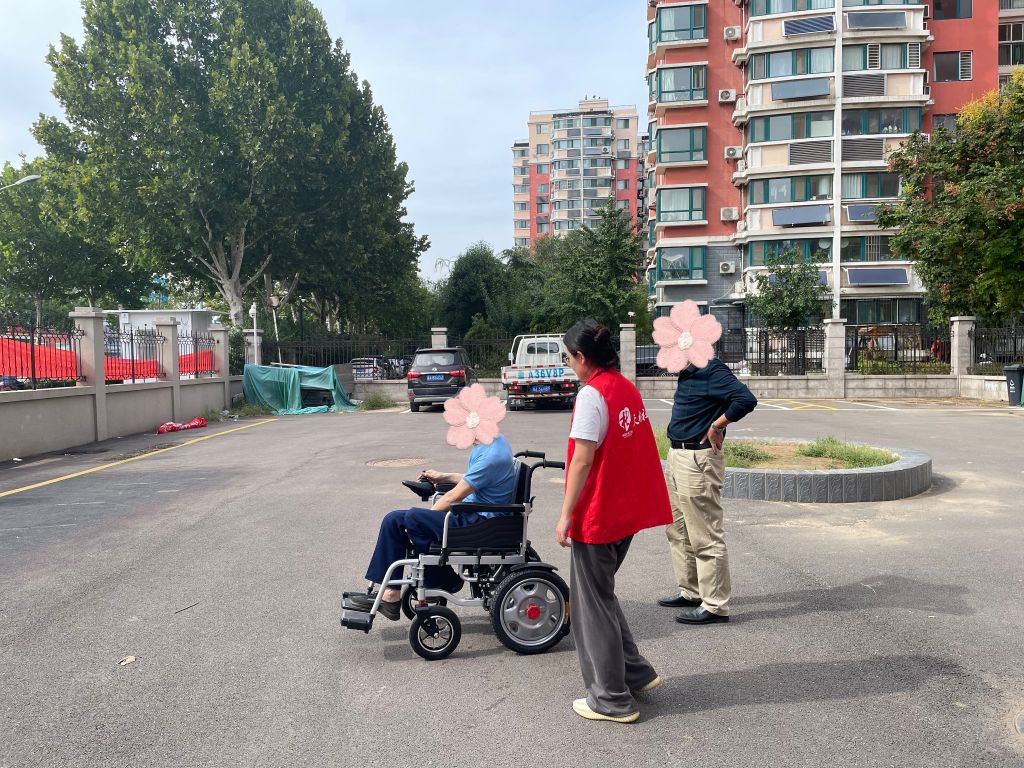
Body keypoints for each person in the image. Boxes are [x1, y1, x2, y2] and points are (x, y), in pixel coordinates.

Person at [556, 319, 673, 724]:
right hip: (624, 514)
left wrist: (565, 514)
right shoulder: (625, 387)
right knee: (601, 595)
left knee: (590, 608)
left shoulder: (592, 395)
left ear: (581, 357)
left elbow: (583, 459)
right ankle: (635, 673)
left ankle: (610, 699)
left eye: (569, 358)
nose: (569, 365)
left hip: (599, 515)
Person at [350, 387, 516, 620]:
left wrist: (421, 522)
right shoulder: (489, 442)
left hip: (480, 521)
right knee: (393, 520)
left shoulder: (492, 455)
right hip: (473, 512)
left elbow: (452, 497)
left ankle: (442, 578)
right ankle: (391, 594)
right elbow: (475, 479)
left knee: (413, 518)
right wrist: (443, 476)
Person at [659, 356, 757, 625]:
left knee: (705, 533)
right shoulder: (687, 372)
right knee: (678, 529)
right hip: (677, 455)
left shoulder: (711, 369)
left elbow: (746, 399)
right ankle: (692, 591)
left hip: (698, 459)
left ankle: (715, 605)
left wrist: (717, 425)